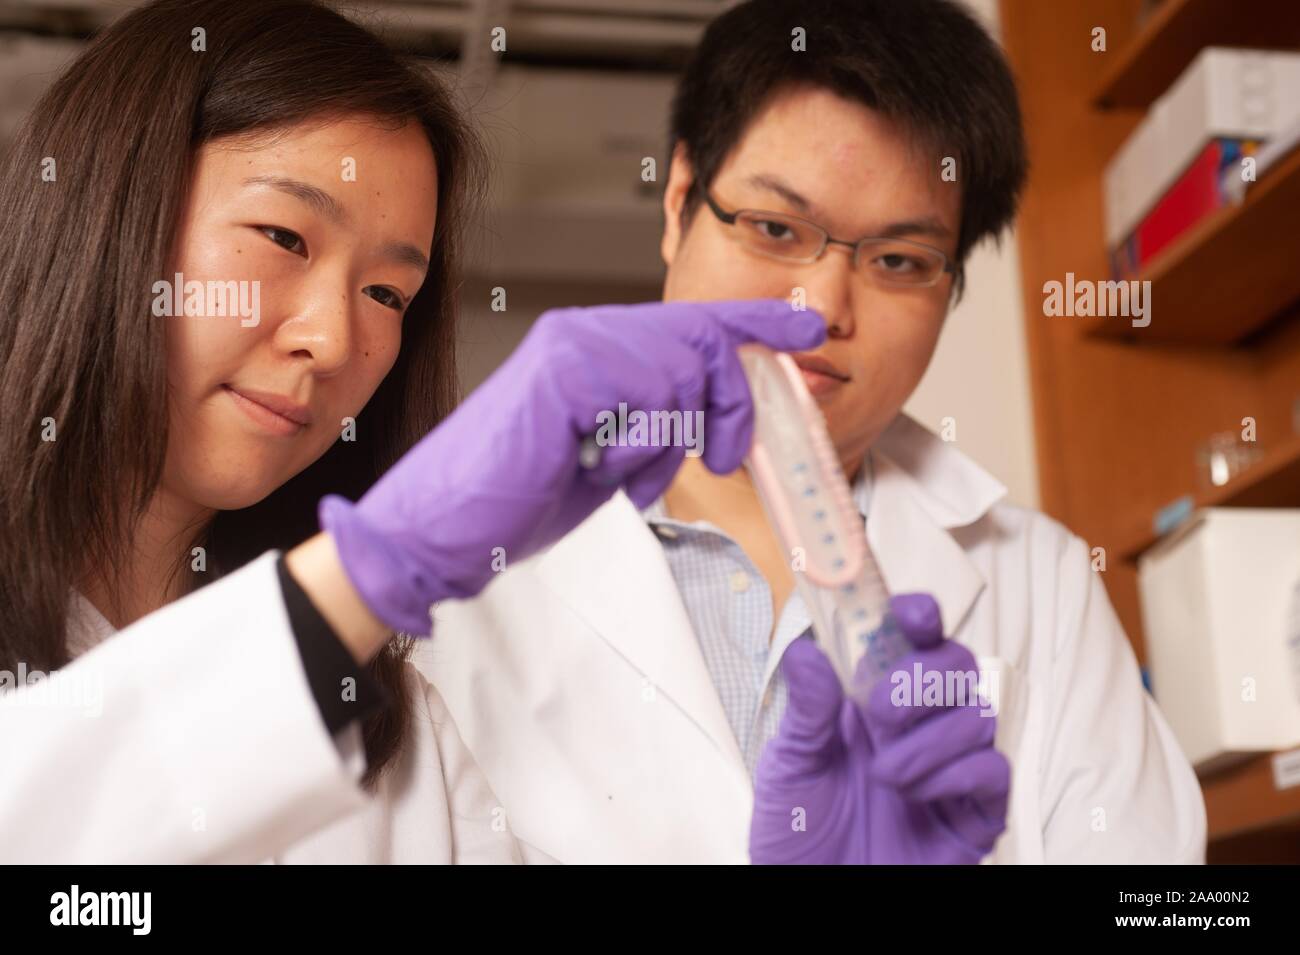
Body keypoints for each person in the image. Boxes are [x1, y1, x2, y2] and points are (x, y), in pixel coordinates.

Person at [0, 0, 823, 863]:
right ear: (112, 205)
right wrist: (364, 575)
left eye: (387, 294)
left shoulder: (400, 742)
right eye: (283, 236)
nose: (331, 339)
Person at [422, 0, 1208, 863]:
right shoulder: (468, 564)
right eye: (775, 229)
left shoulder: (1040, 580)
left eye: (899, 260)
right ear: (679, 201)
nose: (823, 307)